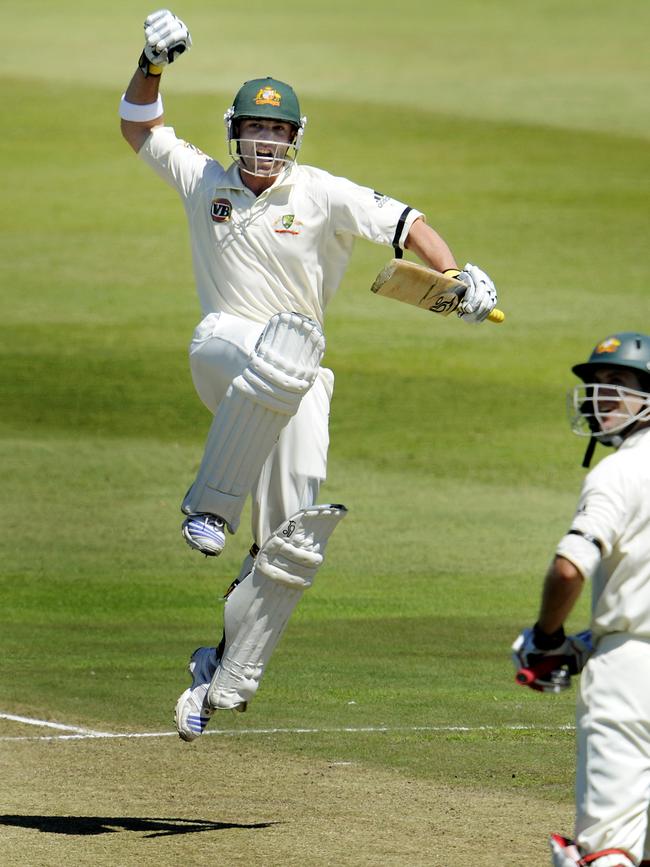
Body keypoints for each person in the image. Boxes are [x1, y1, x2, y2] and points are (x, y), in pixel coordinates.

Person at [119, 9, 500, 742]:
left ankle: (223, 670)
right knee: (273, 349)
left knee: (291, 544)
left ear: (295, 140)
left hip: (298, 384)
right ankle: (212, 507)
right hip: (224, 353)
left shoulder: (321, 193)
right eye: (254, 132)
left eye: (278, 134)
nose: (265, 144)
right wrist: (151, 61)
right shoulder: (205, 181)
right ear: (234, 132)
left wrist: (455, 276)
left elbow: (406, 222)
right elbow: (140, 126)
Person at [512, 332, 650, 867]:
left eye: (617, 385)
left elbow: (570, 568)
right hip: (623, 649)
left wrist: (548, 638)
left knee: (607, 851)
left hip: (630, 680)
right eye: (596, 385)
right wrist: (588, 642)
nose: (599, 396)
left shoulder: (617, 473)